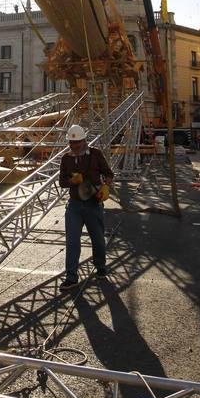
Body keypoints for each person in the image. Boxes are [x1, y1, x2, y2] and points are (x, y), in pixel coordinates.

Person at [59, 124, 114, 291]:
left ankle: (100, 266)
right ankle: (71, 277)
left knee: (97, 238)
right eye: (71, 143)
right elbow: (62, 182)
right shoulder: (66, 158)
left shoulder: (96, 154)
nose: (74, 146)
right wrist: (71, 181)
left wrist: (105, 187)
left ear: (84, 141)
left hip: (93, 204)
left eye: (77, 143)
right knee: (72, 241)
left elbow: (109, 173)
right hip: (75, 205)